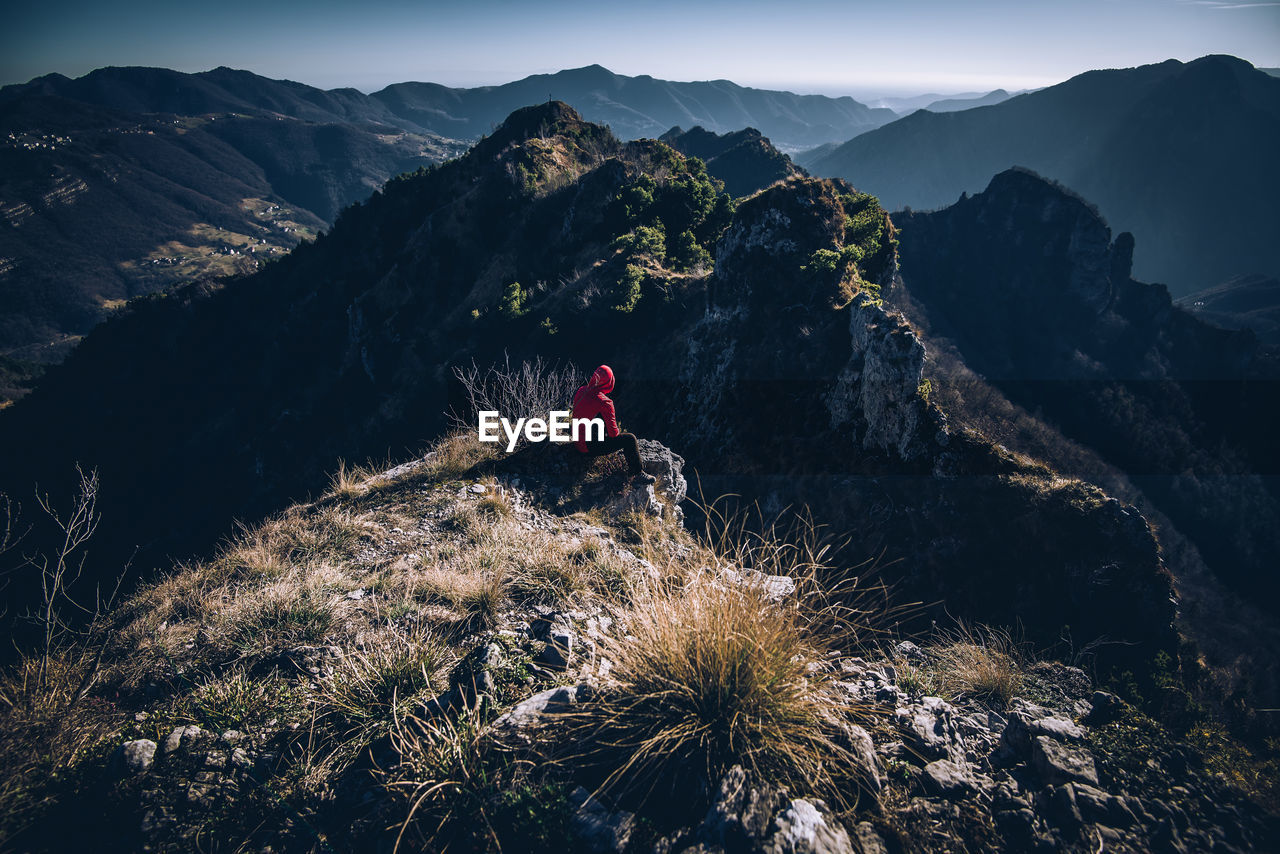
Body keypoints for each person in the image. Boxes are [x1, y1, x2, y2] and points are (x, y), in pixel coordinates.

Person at [571, 364, 656, 483]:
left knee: (597, 417)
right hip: (588, 448)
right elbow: (613, 434)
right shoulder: (605, 402)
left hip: (577, 440)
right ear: (610, 382)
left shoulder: (581, 390)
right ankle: (637, 473)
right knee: (629, 439)